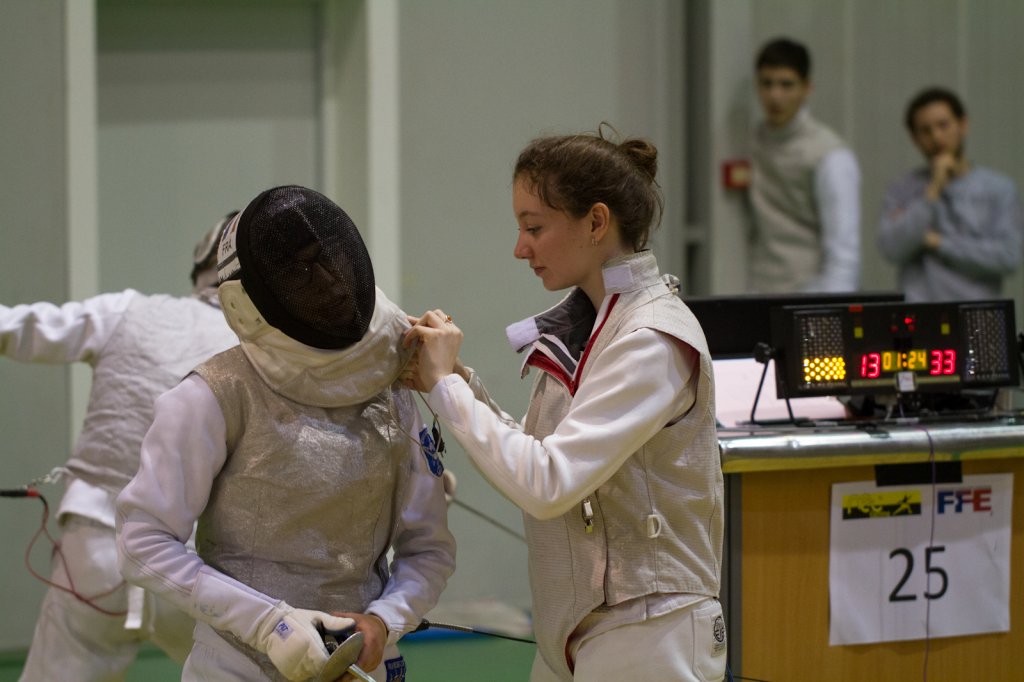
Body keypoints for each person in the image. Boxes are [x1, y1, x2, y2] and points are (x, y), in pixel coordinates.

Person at [404, 128, 726, 681]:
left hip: (652, 632)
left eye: (534, 228)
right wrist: (457, 380)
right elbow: (540, 453)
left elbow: (548, 483)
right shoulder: (590, 330)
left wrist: (446, 391)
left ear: (596, 222)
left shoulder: (652, 339)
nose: (520, 248)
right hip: (577, 629)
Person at [116, 185, 456, 681]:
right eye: (301, 272)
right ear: (249, 302)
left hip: (362, 665)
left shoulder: (391, 387)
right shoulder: (213, 394)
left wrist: (385, 621)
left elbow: (429, 548)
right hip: (235, 667)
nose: (333, 283)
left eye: (331, 258)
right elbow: (141, 541)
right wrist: (266, 624)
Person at [1, 214, 240, 681]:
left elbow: (18, 327)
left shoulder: (127, 311)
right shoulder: (264, 351)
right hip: (194, 567)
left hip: (96, 552)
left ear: (199, 272)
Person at [877, 86, 1024, 301]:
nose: (936, 137)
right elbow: (891, 249)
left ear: (963, 124)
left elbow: (1008, 257)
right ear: (914, 138)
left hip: (976, 309)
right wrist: (933, 191)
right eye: (925, 130)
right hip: (919, 309)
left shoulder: (998, 188)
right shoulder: (902, 188)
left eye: (943, 125)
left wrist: (938, 242)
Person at [747, 37, 861, 293]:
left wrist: (830, 306)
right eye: (767, 84)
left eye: (786, 84)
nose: (775, 95)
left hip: (809, 292)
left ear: (807, 87)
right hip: (758, 289)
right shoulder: (751, 141)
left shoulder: (830, 154)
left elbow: (844, 250)